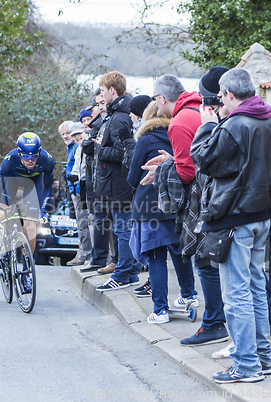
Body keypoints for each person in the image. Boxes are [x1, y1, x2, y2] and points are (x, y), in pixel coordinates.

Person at [191, 68, 271, 384]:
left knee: (237, 294)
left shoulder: (233, 125)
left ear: (228, 95)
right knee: (256, 288)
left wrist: (207, 125)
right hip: (260, 216)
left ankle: (245, 366)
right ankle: (263, 359)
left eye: (220, 98)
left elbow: (202, 159)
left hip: (234, 220)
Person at [143, 74, 227, 347]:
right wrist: (173, 160)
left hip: (202, 202)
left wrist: (163, 169)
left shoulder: (177, 123)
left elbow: (188, 171)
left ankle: (214, 322)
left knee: (205, 261)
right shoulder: (198, 110)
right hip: (222, 195)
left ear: (161, 99)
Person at [128, 101, 197, 323]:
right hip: (177, 203)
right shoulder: (179, 134)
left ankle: (160, 310)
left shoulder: (145, 139)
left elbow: (132, 177)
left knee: (156, 256)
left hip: (150, 207)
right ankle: (189, 296)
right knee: (180, 252)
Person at [87, 71, 140, 291]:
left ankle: (122, 274)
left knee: (123, 229)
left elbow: (125, 154)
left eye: (102, 90)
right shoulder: (116, 113)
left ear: (112, 91)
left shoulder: (119, 117)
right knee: (122, 228)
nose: (100, 94)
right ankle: (127, 274)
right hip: (114, 183)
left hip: (120, 184)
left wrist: (101, 149)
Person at [0, 132, 54, 290]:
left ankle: (25, 270)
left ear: (39, 152)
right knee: (0, 214)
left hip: (33, 186)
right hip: (11, 183)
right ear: (19, 153)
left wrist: (42, 212)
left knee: (31, 227)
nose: (30, 160)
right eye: (25, 156)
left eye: (34, 156)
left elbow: (48, 188)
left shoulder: (47, 159)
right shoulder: (9, 160)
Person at [66, 122, 92, 266]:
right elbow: (76, 167)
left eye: (79, 134)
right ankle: (85, 253)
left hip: (89, 188)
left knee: (92, 222)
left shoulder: (89, 146)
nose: (76, 137)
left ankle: (90, 255)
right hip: (79, 188)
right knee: (82, 222)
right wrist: (73, 176)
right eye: (74, 135)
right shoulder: (77, 149)